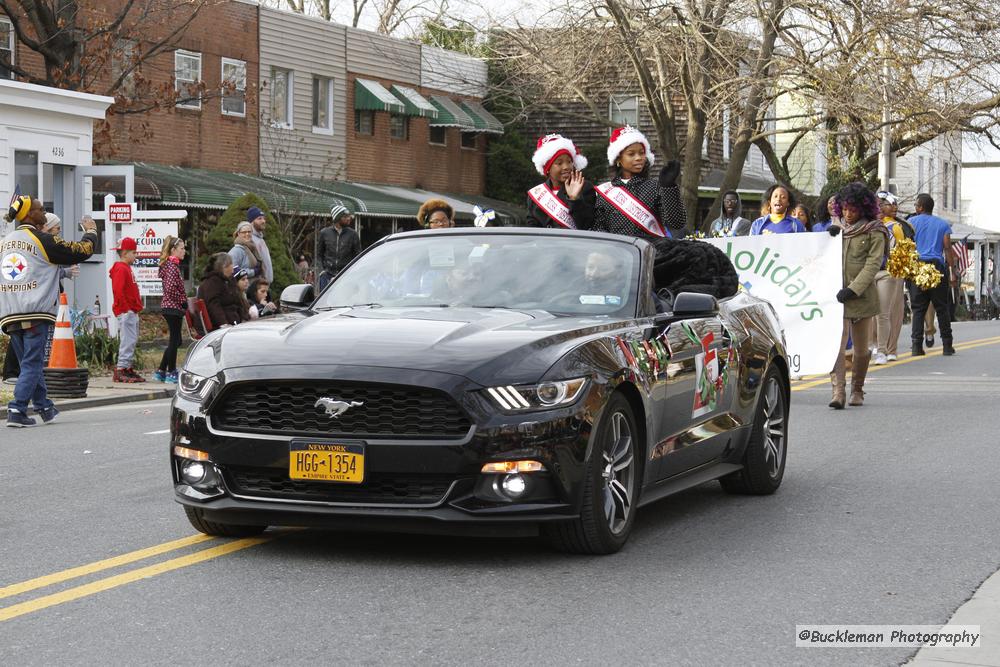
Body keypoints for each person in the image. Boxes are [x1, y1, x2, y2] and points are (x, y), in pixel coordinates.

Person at [2, 193, 97, 426]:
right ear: (31, 215)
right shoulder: (42, 240)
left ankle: (44, 407)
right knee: (33, 363)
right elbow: (81, 250)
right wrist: (92, 231)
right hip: (35, 311)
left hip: (10, 313)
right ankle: (17, 410)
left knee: (29, 363)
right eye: (41, 209)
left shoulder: (6, 241)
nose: (44, 213)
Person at [828, 183, 889, 409]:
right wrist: (829, 237)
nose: (847, 213)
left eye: (852, 209)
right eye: (844, 209)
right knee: (837, 346)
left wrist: (853, 289)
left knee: (862, 351)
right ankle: (838, 391)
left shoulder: (875, 230)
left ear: (863, 209)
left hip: (861, 296)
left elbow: (874, 264)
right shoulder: (835, 229)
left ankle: (857, 389)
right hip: (836, 297)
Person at [592, 125, 687, 238]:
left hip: (652, 252)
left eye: (641, 153)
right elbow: (597, 228)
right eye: (631, 154)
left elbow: (677, 223)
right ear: (618, 159)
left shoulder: (655, 187)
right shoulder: (604, 192)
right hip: (617, 252)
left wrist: (668, 187)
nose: (638, 158)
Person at [907, 193, 956, 356]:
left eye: (916, 205)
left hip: (918, 266)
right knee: (942, 307)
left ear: (921, 207)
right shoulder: (942, 225)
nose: (915, 208)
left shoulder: (911, 223)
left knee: (918, 308)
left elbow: (907, 246)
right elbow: (947, 248)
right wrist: (952, 272)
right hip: (936, 266)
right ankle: (947, 345)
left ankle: (916, 346)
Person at [871, 192, 914, 364]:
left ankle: (891, 348)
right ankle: (874, 343)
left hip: (893, 272)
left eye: (895, 204)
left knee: (892, 310)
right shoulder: (871, 224)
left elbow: (903, 251)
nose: (894, 208)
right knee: (874, 312)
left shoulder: (897, 227)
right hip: (874, 270)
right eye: (890, 204)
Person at [526, 134, 594, 229]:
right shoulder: (536, 195)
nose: (566, 167)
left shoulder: (584, 187)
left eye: (569, 162)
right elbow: (532, 230)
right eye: (559, 163)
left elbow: (587, 225)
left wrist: (575, 199)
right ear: (547, 168)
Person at [110, 237, 146, 383]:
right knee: (127, 340)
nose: (136, 256)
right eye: (134, 252)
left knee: (131, 340)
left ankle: (127, 367)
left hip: (130, 310)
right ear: (125, 253)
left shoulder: (126, 268)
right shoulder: (120, 268)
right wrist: (125, 309)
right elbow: (118, 290)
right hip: (126, 310)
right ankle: (121, 369)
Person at [155, 236, 187, 383]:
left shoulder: (170, 266)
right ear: (173, 250)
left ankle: (161, 370)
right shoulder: (172, 267)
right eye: (181, 249)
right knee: (175, 340)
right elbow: (170, 289)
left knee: (177, 340)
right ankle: (171, 372)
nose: (184, 251)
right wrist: (183, 301)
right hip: (173, 307)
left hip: (170, 307)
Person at [317, 204, 361, 290]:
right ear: (337, 218)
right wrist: (321, 271)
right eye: (345, 216)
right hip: (327, 276)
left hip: (346, 276)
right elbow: (319, 255)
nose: (349, 218)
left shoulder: (353, 234)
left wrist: (353, 273)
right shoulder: (324, 233)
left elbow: (358, 256)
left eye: (349, 216)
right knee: (324, 302)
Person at [197, 252, 242, 329]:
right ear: (224, 267)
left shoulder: (226, 281)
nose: (233, 267)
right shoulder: (212, 282)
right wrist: (223, 323)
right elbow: (213, 305)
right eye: (231, 264)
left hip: (233, 321)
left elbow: (238, 303)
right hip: (223, 326)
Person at [247, 206, 273, 282]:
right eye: (259, 218)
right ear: (251, 222)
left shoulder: (260, 239)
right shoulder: (249, 239)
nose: (263, 221)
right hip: (256, 285)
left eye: (263, 218)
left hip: (264, 285)